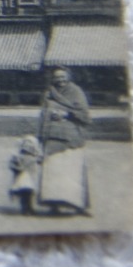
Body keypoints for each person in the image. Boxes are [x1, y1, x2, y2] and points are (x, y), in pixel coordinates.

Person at [36, 67, 92, 215]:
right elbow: (43, 114)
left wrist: (66, 115)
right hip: (52, 136)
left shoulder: (76, 92)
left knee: (72, 171)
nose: (60, 80)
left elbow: (85, 115)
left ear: (69, 77)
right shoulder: (49, 93)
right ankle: (54, 205)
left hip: (71, 137)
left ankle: (78, 206)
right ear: (52, 79)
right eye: (57, 78)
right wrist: (41, 136)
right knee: (53, 171)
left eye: (63, 77)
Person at [8, 134, 43, 216]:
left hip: (25, 178)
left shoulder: (24, 156)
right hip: (26, 178)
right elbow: (13, 165)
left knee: (27, 194)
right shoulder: (24, 157)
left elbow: (14, 166)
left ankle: (28, 209)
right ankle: (27, 209)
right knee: (27, 194)